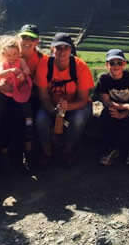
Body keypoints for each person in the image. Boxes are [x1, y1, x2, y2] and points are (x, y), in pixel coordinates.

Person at [35, 33, 94, 165]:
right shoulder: (45, 64)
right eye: (58, 48)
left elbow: (83, 99)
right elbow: (43, 96)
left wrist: (67, 107)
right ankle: (47, 153)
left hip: (76, 105)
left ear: (71, 49)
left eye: (65, 48)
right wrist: (54, 111)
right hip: (52, 105)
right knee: (41, 120)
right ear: (52, 49)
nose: (62, 52)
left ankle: (67, 151)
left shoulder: (80, 67)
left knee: (78, 119)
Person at [96, 49, 129, 166]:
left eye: (119, 63)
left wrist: (125, 113)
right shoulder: (104, 79)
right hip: (114, 109)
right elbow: (107, 102)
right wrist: (127, 106)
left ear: (124, 64)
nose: (116, 66)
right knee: (105, 115)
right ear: (107, 65)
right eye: (112, 63)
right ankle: (110, 149)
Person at [0, 35, 34, 161]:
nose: (12, 57)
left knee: (24, 108)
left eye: (15, 54)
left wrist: (22, 73)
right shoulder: (3, 63)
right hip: (6, 92)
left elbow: (27, 71)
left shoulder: (20, 61)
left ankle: (29, 122)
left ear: (18, 53)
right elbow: (0, 74)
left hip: (18, 90)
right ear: (4, 54)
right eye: (9, 55)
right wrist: (12, 70)